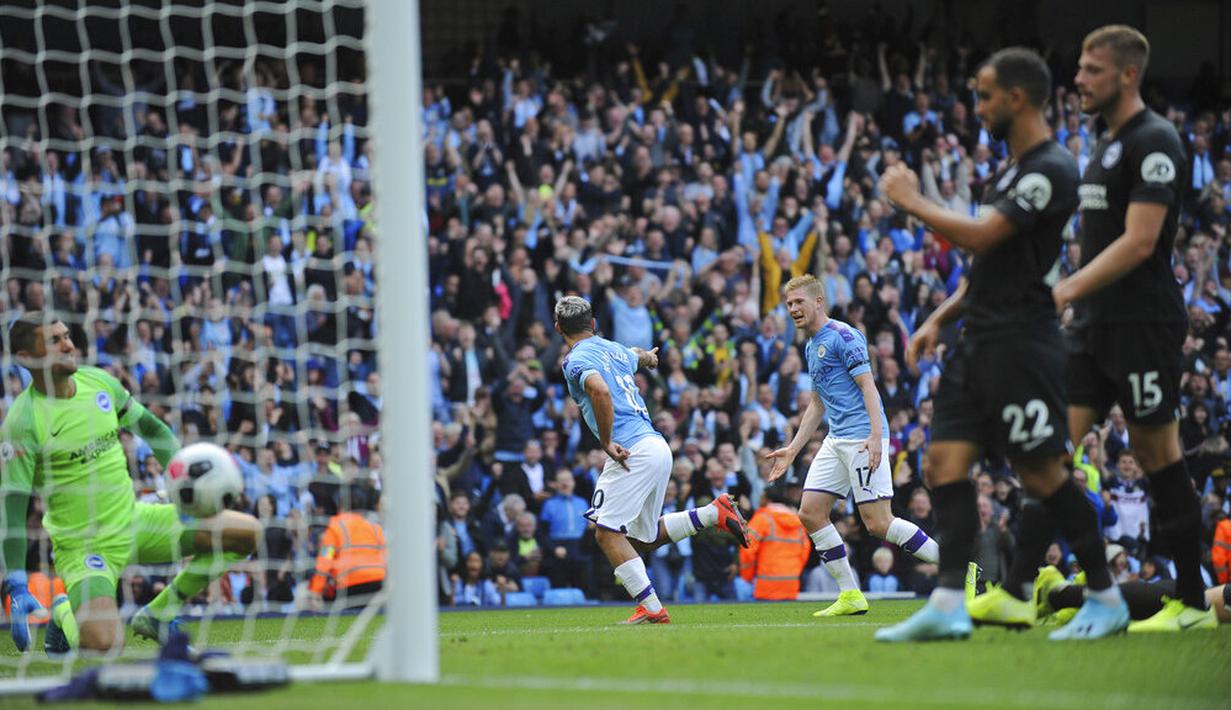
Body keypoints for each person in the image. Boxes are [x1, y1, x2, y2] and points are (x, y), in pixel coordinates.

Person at [876, 48, 1126, 642]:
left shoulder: (1052, 168)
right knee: (943, 463)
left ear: (1016, 98)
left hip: (1023, 343)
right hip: (979, 340)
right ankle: (947, 603)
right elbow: (986, 265)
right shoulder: (1009, 172)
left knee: (1041, 474)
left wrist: (912, 201)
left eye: (985, 96)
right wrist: (938, 317)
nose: (979, 107)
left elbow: (984, 235)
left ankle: (1105, 594)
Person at [1052, 24, 1216, 632]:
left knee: (1156, 453)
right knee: (1049, 451)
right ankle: (1036, 586)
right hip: (1095, 324)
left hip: (1143, 323)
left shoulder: (1155, 139)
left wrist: (1067, 287)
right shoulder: (1106, 143)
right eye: (1079, 67)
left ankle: (1191, 603)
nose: (1078, 78)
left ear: (1127, 75)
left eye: (1091, 69)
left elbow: (1142, 241)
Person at [0, 313, 261, 654]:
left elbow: (153, 429)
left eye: (66, 336)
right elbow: (13, 506)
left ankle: (158, 614)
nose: (68, 345)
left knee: (247, 532)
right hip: (85, 549)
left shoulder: (99, 383)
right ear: (26, 357)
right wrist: (16, 581)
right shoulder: (22, 422)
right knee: (106, 645)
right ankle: (63, 612)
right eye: (54, 340)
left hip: (137, 522)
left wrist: (182, 485)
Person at [554, 295, 748, 624]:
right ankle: (712, 514)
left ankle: (652, 608)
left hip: (631, 451)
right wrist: (649, 358)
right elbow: (636, 355)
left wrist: (606, 441)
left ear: (559, 328)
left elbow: (600, 391)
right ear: (594, 324)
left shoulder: (575, 360)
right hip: (656, 445)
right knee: (639, 539)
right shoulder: (614, 349)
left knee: (606, 533)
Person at [765, 275, 939, 617]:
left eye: (799, 302)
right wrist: (793, 449)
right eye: (789, 304)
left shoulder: (844, 336)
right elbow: (817, 403)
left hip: (862, 436)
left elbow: (868, 387)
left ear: (818, 301)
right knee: (810, 513)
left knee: (878, 523)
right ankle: (850, 594)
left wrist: (875, 437)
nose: (793, 309)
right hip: (836, 438)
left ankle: (958, 567)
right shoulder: (811, 345)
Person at [306, 485, 386, 609]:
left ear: (340, 505)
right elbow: (385, 556)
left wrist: (315, 589)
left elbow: (325, 559)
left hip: (350, 584)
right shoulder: (375, 527)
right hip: (378, 582)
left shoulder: (335, 526)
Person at [738, 484, 811, 600]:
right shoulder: (797, 523)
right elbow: (805, 551)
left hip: (766, 586)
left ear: (766, 498)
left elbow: (747, 549)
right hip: (791, 585)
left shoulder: (762, 519)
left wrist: (747, 577)